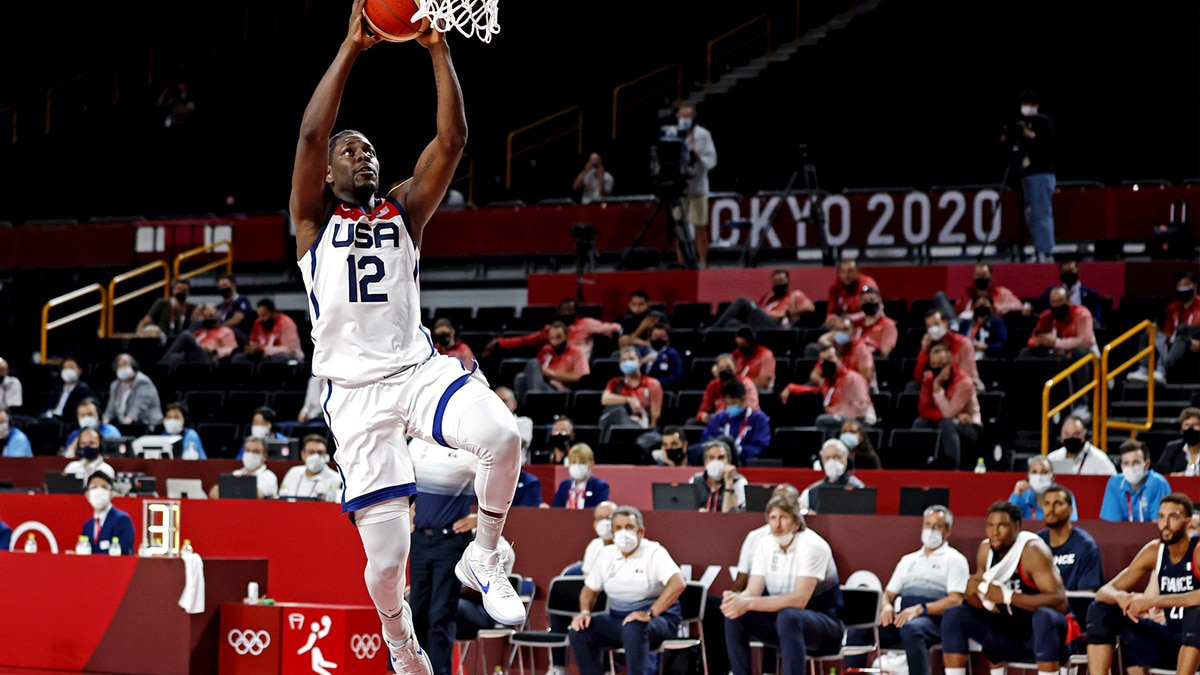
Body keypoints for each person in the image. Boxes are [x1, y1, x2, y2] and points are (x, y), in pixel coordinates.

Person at [940, 501, 1071, 675]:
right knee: (954, 614)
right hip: (1007, 632)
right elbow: (980, 605)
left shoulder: (1033, 551)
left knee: (1044, 617)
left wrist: (1009, 597)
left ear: (1017, 526)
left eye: (1002, 526)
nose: (994, 532)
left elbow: (1060, 601)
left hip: (1041, 633)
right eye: (990, 525)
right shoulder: (986, 550)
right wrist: (972, 593)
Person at [722, 493, 844, 675]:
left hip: (824, 625)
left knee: (789, 616)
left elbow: (800, 600)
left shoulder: (812, 545)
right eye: (773, 518)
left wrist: (748, 602)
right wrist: (737, 599)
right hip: (782, 625)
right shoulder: (764, 544)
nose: (777, 524)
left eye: (783, 518)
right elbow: (752, 591)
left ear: (796, 522)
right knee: (735, 614)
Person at [1085, 492, 1200, 675]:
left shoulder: (1197, 550)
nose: (1165, 524)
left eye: (1173, 517)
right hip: (1169, 639)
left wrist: (1154, 601)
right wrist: (1120, 596)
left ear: (1188, 523)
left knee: (1196, 613)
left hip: (1196, 642)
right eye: (1161, 517)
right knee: (1100, 608)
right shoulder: (1155, 550)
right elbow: (1103, 591)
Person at [846, 505, 969, 675]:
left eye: (937, 526)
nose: (930, 530)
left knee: (912, 629)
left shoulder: (955, 560)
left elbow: (955, 600)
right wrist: (887, 607)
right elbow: (887, 594)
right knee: (860, 629)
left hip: (935, 621)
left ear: (948, 531)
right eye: (927, 525)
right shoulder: (908, 560)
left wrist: (920, 609)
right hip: (903, 618)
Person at [568, 505, 686, 675]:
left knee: (634, 627)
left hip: (659, 619)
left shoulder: (654, 552)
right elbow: (589, 590)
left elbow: (678, 583)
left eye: (629, 527)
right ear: (613, 533)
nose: (623, 533)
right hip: (618, 618)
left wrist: (650, 613)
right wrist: (585, 612)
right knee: (579, 631)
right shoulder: (606, 554)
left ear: (641, 531)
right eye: (618, 528)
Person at [407, 436, 482, 675]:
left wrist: (480, 517)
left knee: (441, 613)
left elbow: (502, 485)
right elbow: (404, 478)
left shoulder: (470, 450)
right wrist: (407, 507)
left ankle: (439, 672)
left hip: (450, 542)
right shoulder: (417, 444)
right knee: (416, 611)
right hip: (419, 538)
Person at [1021, 286, 1098, 418]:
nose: (1057, 305)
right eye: (1053, 302)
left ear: (1068, 300)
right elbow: (1032, 340)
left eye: (1060, 300)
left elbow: (1085, 341)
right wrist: (1039, 342)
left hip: (1088, 359)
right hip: (1058, 358)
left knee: (1079, 353)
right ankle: (1026, 405)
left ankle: (1082, 405)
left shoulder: (1082, 314)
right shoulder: (1046, 317)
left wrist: (1056, 342)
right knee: (1025, 353)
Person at [1001, 90, 1056, 261]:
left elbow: (1048, 144)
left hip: (1041, 173)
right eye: (1024, 103)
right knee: (1030, 214)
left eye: (1030, 103)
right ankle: (1039, 249)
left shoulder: (1043, 122)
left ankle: (1046, 253)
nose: (1026, 106)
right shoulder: (1021, 123)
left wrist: (1030, 135)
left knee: (1041, 213)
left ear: (1036, 105)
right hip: (1026, 175)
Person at [914, 344, 983, 470]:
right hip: (948, 420)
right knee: (919, 423)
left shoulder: (964, 382)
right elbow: (923, 410)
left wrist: (937, 388)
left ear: (949, 363)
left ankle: (952, 469)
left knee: (947, 424)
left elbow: (949, 412)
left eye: (940, 363)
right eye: (933, 364)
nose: (937, 368)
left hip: (970, 426)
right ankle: (917, 466)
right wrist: (953, 416)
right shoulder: (929, 379)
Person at [484, 298, 620, 361]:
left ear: (576, 312)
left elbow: (615, 327)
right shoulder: (552, 329)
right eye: (563, 310)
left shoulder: (587, 324)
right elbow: (526, 340)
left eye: (570, 310)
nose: (566, 313)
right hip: (555, 363)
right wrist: (500, 342)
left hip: (578, 363)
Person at [784, 344, 876, 433]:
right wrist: (792, 388)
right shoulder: (828, 381)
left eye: (830, 358)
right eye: (822, 360)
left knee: (823, 420)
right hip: (837, 419)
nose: (826, 363)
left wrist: (834, 413)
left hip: (859, 422)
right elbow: (813, 389)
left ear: (840, 359)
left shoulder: (853, 378)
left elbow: (859, 409)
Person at [1129, 271, 1200, 385]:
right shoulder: (1173, 308)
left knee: (1181, 334)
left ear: (1195, 286)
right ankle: (1144, 369)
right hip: (1173, 343)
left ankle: (1161, 370)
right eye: (1179, 285)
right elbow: (1168, 334)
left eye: (1186, 284)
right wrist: (1156, 331)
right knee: (1149, 334)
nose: (1182, 288)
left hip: (1191, 344)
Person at [1036, 485, 1102, 592]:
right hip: (1040, 605)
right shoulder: (1036, 544)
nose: (1051, 509)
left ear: (1070, 510)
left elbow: (1087, 594)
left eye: (1058, 503)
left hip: (1073, 607)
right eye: (1047, 504)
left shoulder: (1085, 546)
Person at [675, 105, 717, 268]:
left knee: (699, 226)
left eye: (687, 117)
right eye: (681, 116)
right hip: (679, 189)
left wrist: (700, 157)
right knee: (678, 228)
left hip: (698, 188)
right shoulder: (674, 135)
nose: (683, 120)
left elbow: (712, 159)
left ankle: (703, 262)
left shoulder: (703, 134)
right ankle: (681, 263)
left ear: (693, 118)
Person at [510, 321, 590, 405]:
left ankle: (536, 401)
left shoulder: (576, 352)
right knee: (521, 377)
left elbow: (583, 377)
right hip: (543, 385)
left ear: (567, 336)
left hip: (560, 392)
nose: (555, 342)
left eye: (558, 337)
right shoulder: (546, 350)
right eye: (552, 338)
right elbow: (533, 373)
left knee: (533, 363)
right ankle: (521, 409)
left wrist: (554, 375)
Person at [709, 269, 815, 331]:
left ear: (788, 282)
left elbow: (810, 307)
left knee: (742, 301)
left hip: (777, 327)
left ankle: (711, 330)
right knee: (731, 324)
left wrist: (785, 314)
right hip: (760, 327)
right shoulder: (768, 298)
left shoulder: (795, 294)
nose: (779, 284)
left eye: (781, 281)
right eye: (776, 282)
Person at [700, 379, 771, 465]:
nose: (730, 407)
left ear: (744, 399)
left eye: (733, 403)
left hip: (746, 464)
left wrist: (736, 451)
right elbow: (706, 442)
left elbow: (759, 446)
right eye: (727, 404)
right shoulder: (717, 418)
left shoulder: (759, 419)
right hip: (717, 462)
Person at [598, 346, 663, 440]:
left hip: (642, 429)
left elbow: (655, 417)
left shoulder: (652, 384)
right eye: (624, 360)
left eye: (631, 359)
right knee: (618, 411)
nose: (627, 362)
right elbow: (605, 399)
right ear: (620, 365)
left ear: (640, 362)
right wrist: (629, 400)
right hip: (617, 429)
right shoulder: (615, 383)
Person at [1099, 440, 1172, 522]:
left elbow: (1159, 525)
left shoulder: (1158, 484)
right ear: (1121, 466)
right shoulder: (1114, 483)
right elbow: (1112, 526)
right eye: (1126, 463)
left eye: (1136, 462)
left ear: (1147, 464)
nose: (1131, 467)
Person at [912, 309, 983, 392]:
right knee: (912, 386)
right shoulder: (928, 343)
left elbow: (967, 374)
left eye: (936, 324)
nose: (933, 329)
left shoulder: (963, 343)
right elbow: (918, 377)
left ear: (945, 323)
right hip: (937, 385)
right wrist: (924, 351)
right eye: (929, 327)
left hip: (962, 385)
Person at [1024, 259, 1103, 327]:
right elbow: (1035, 303)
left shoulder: (1091, 295)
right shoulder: (1052, 292)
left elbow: (1097, 320)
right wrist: (1028, 305)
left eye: (1070, 271)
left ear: (1078, 272)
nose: (1068, 274)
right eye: (1064, 272)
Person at [799, 438, 866, 513]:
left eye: (837, 457)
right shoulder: (811, 491)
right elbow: (799, 512)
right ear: (822, 462)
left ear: (847, 459)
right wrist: (806, 512)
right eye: (827, 458)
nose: (832, 462)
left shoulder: (859, 488)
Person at [159, 303, 240, 365]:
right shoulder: (201, 332)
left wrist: (214, 350)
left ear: (218, 318)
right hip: (193, 357)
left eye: (211, 316)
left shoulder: (225, 331)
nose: (208, 318)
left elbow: (229, 349)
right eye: (205, 317)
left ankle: (161, 366)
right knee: (175, 357)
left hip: (210, 359)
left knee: (186, 335)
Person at [811, 315, 876, 390]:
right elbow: (814, 375)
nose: (841, 333)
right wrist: (826, 386)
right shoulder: (832, 349)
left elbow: (865, 378)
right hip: (837, 390)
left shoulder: (862, 350)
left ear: (853, 331)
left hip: (858, 390)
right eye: (838, 330)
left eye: (845, 330)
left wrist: (840, 387)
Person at [693, 354, 760, 425]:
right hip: (718, 423)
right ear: (717, 371)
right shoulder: (713, 385)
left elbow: (752, 410)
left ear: (736, 368)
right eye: (721, 368)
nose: (725, 370)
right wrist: (704, 416)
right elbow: (701, 411)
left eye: (728, 367)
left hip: (742, 422)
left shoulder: (746, 384)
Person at [234, 298, 305, 364]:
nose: (261, 319)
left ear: (272, 313)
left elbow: (289, 349)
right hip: (264, 356)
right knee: (238, 358)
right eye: (259, 315)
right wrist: (251, 349)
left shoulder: (286, 322)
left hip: (290, 357)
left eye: (264, 315)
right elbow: (253, 343)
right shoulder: (258, 323)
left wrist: (262, 348)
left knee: (278, 358)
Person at [81, 471, 135, 555]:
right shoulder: (88, 525)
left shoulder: (122, 520)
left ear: (111, 493)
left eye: (104, 487)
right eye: (94, 487)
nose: (99, 491)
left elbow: (124, 552)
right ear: (87, 495)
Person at [103, 353, 163, 428]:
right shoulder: (115, 385)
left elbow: (138, 407)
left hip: (148, 423)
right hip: (126, 424)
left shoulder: (143, 382)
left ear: (133, 366)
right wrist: (104, 422)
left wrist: (126, 423)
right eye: (119, 366)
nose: (122, 368)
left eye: (125, 364)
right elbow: (110, 409)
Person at [209, 436, 279, 499]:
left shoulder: (269, 477)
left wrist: (229, 491)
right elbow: (214, 493)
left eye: (255, 452)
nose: (251, 454)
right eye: (248, 450)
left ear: (264, 456)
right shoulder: (236, 473)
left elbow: (257, 495)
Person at [1010, 456, 1075, 522]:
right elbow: (1009, 520)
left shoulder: (1064, 496)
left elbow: (1073, 523)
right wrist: (1016, 494)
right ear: (1028, 476)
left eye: (1044, 472)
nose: (1039, 477)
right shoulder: (1022, 496)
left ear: (1052, 477)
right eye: (1034, 472)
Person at [690, 438, 748, 512]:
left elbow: (731, 516)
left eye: (721, 458)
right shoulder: (695, 480)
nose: (716, 461)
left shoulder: (739, 482)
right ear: (705, 462)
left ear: (729, 461)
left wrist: (729, 483)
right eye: (711, 458)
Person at [952, 262, 1024, 321]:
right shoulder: (968, 294)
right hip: (968, 325)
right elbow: (957, 310)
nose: (980, 278)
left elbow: (1019, 305)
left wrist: (997, 307)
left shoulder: (1001, 292)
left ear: (990, 275)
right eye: (978, 275)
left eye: (983, 275)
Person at [279, 435, 341, 502]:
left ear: (326, 455)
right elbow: (281, 497)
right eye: (311, 452)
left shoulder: (336, 479)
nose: (316, 456)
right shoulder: (293, 472)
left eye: (320, 453)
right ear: (303, 454)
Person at [1045, 416, 1114, 475]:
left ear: (1084, 435)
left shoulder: (1100, 460)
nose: (1071, 438)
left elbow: (1113, 485)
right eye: (1067, 434)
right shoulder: (1053, 458)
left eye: (1076, 434)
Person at [551, 444, 610, 509]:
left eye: (582, 462)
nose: (577, 466)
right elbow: (555, 509)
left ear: (591, 463)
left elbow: (599, 511)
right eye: (573, 462)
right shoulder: (564, 485)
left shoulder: (599, 486)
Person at [957, 292, 1008, 357]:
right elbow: (958, 340)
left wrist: (987, 346)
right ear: (974, 305)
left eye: (984, 304)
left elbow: (1003, 342)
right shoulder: (966, 323)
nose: (982, 306)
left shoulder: (997, 322)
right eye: (979, 303)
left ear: (991, 306)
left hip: (989, 357)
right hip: (966, 355)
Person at [851, 287, 898, 358]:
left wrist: (871, 345)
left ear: (879, 301)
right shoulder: (856, 324)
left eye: (872, 299)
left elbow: (885, 353)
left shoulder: (888, 324)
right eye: (865, 300)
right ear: (860, 302)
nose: (868, 303)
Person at [1156, 406, 1200, 476]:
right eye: (1187, 425)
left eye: (1195, 425)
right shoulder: (1172, 449)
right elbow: (1160, 473)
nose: (1190, 429)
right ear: (1182, 427)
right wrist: (1174, 475)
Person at [732, 326, 776, 392]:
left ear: (752, 342)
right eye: (739, 345)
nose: (741, 348)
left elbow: (764, 382)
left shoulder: (765, 354)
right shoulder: (736, 354)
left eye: (744, 345)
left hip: (759, 392)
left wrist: (742, 384)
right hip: (738, 392)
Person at [641, 323, 683, 389]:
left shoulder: (673, 353)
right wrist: (642, 361)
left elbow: (677, 374)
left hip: (663, 387)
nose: (659, 339)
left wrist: (657, 383)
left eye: (662, 337)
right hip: (641, 387)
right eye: (656, 336)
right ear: (650, 337)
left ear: (668, 338)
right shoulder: (641, 351)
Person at [494, 386, 533, 457]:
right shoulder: (486, 423)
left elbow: (518, 444)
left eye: (504, 401)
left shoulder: (524, 422)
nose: (500, 404)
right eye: (497, 400)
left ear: (514, 405)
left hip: (517, 466)